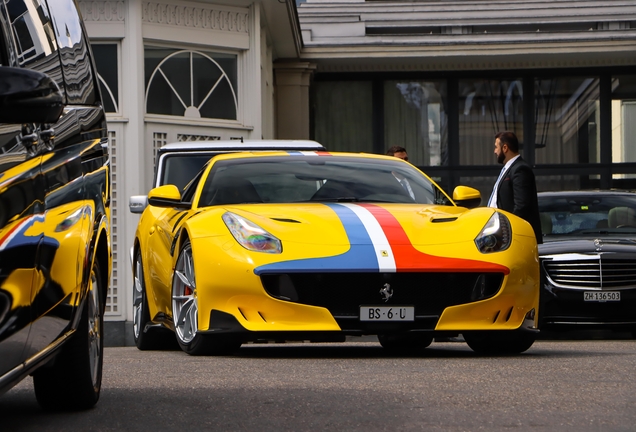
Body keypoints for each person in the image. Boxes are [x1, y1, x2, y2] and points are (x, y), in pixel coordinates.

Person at [488, 131, 543, 244]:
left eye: (496, 147)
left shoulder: (520, 169)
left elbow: (521, 206)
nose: (495, 151)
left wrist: (507, 230)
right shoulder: (508, 169)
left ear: (505, 148)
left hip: (516, 238)